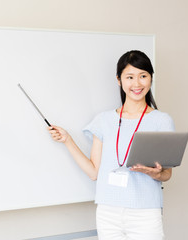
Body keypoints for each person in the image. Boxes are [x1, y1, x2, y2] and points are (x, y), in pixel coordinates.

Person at [48, 50, 174, 240]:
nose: (137, 83)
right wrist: (68, 140)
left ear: (151, 78)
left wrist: (156, 173)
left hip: (145, 213)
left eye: (143, 76)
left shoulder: (161, 121)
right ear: (119, 80)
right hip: (108, 211)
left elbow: (167, 174)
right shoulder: (104, 120)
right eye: (130, 77)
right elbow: (93, 172)